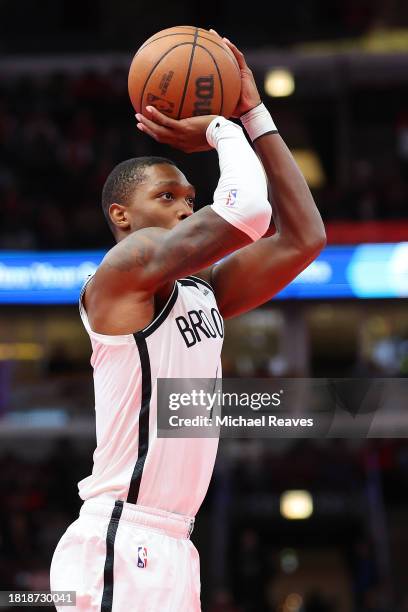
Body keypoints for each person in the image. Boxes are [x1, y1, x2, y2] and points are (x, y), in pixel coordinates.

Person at [50, 35, 326, 611]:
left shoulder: (201, 292)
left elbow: (304, 238)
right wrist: (223, 130)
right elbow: (249, 212)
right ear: (121, 216)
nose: (183, 207)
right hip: (119, 538)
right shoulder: (121, 272)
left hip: (175, 543)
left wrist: (255, 112)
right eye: (167, 195)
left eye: (190, 197)